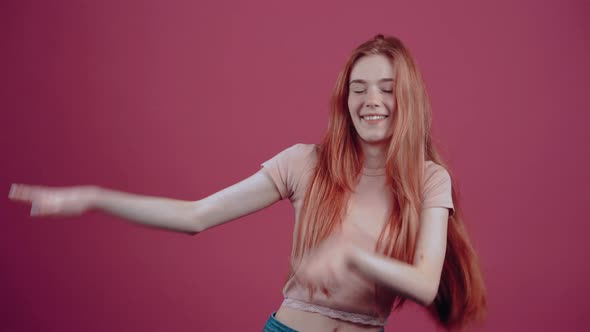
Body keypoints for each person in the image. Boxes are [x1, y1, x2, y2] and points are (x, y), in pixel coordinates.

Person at [8, 34, 486, 331]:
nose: (371, 101)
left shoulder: (428, 180)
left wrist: (349, 254)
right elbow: (194, 216)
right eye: (358, 89)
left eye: (386, 88)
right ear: (345, 101)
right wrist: (93, 197)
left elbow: (425, 282)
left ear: (408, 99)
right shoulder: (305, 164)